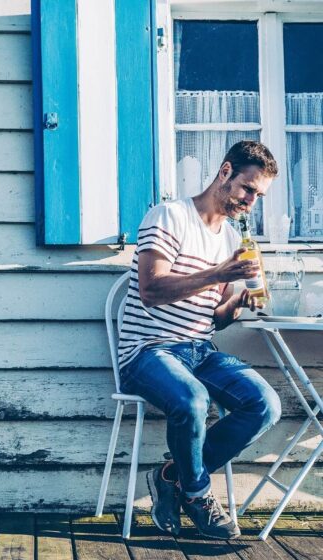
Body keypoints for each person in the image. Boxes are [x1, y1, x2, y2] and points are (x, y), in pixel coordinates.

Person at [118, 141, 282, 539]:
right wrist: (218, 274)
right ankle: (197, 494)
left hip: (200, 349)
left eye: (259, 196)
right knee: (193, 400)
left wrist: (237, 302)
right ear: (225, 172)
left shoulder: (230, 239)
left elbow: (217, 319)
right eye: (248, 189)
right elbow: (151, 289)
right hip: (148, 350)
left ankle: (171, 475)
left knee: (265, 405)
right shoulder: (170, 216)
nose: (251, 202)